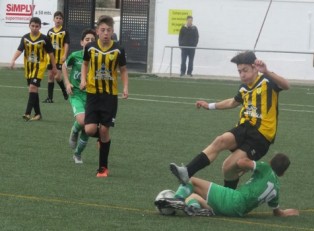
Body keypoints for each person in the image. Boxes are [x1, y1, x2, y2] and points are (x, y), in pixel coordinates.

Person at [170, 51, 290, 190]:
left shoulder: (267, 81)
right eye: (239, 72)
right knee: (220, 140)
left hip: (261, 136)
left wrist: (267, 71)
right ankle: (186, 172)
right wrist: (209, 106)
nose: (242, 75)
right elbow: (232, 102)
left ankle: (229, 197)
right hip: (244, 127)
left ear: (255, 67)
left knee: (228, 167)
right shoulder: (243, 87)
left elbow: (286, 85)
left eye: (245, 70)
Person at [157, 153, 299, 217]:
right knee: (193, 195)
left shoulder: (265, 167)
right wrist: (285, 212)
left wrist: (247, 164)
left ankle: (176, 199)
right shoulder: (276, 189)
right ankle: (196, 208)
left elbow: (241, 162)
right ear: (282, 174)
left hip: (234, 199)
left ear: (270, 162)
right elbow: (277, 212)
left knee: (191, 180)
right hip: (238, 212)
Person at [80, 15, 129, 177]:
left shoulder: (118, 49)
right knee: (89, 129)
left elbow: (123, 70)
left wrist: (125, 87)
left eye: (108, 30)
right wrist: (83, 79)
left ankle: (103, 168)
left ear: (112, 31)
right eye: (102, 30)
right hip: (93, 94)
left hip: (110, 96)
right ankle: (101, 138)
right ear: (97, 32)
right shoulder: (90, 48)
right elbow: (85, 64)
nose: (106, 33)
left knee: (105, 130)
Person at [10, 17, 57, 121]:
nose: (35, 28)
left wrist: (54, 67)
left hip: (39, 67)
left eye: (37, 26)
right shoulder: (25, 38)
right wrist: (13, 59)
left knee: (32, 87)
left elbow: (51, 53)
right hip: (29, 68)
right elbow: (19, 50)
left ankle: (27, 113)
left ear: (40, 27)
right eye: (33, 26)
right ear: (29, 26)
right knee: (33, 90)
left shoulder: (44, 39)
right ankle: (38, 114)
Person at [62, 29, 97, 164]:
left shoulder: (98, 59)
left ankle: (77, 154)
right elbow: (64, 66)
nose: (89, 42)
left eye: (92, 40)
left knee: (90, 129)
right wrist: (67, 83)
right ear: (82, 42)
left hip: (92, 96)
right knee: (82, 121)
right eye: (87, 39)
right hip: (76, 93)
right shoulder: (75, 56)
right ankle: (74, 130)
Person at [43, 11, 70, 103]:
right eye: (57, 18)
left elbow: (66, 44)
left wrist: (65, 55)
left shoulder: (64, 32)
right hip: (51, 58)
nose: (58, 20)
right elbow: (46, 45)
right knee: (50, 76)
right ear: (54, 19)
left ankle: (64, 90)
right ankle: (50, 98)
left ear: (62, 20)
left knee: (57, 77)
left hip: (59, 58)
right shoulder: (50, 32)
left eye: (60, 18)